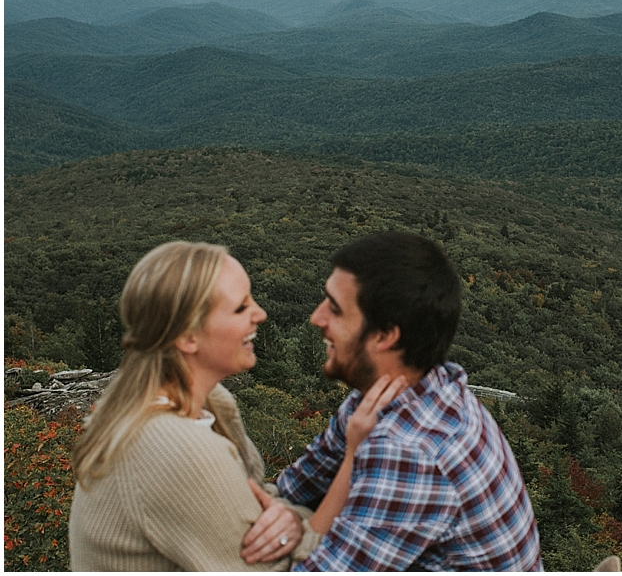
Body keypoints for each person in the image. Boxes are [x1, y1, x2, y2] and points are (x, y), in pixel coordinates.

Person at [68, 241, 404, 571]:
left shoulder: (203, 403)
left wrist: (289, 518)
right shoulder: (178, 447)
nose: (261, 314)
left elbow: (248, 505)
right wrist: (353, 456)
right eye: (242, 307)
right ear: (187, 337)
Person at [276, 231, 543, 571]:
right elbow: (293, 489)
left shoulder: (411, 451)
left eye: (335, 309)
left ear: (386, 335)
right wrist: (278, 517)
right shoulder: (398, 392)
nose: (316, 318)